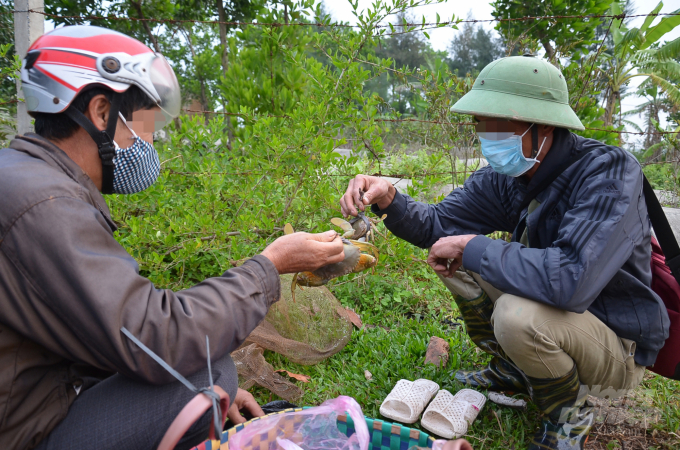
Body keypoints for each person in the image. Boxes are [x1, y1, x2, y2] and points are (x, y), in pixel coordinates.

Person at [0, 25, 345, 450]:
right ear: (102, 113)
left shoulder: (24, 178)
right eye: (142, 126)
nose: (149, 142)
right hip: (22, 432)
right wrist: (269, 267)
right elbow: (156, 337)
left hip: (29, 399)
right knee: (208, 373)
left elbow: (92, 329)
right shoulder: (46, 205)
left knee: (203, 383)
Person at [341, 55, 670, 450]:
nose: (487, 133)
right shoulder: (508, 176)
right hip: (559, 310)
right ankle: (516, 370)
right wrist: (390, 198)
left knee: (516, 316)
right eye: (482, 122)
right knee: (456, 259)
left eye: (500, 123)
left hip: (613, 342)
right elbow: (437, 226)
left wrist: (475, 247)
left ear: (544, 124)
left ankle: (568, 415)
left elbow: (571, 280)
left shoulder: (608, 174)